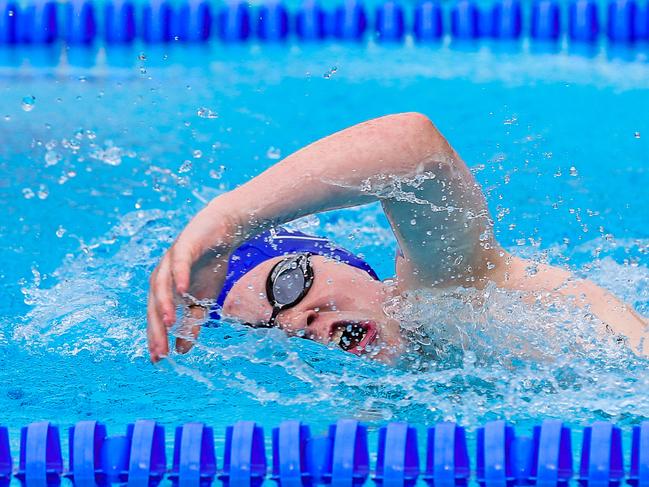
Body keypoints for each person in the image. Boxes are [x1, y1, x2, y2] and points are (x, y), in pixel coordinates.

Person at [147, 113, 648, 363]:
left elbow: (413, 146)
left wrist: (231, 219)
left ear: (347, 264)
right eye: (268, 327)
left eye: (287, 286)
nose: (299, 320)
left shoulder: (453, 289)